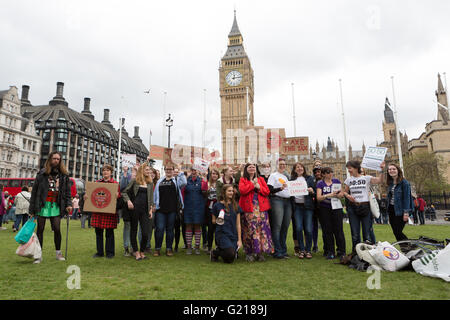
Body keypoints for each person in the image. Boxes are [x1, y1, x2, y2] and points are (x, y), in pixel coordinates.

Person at [28, 151, 72, 263]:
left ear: (60, 161)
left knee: (57, 229)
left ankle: (58, 253)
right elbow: (34, 192)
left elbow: (67, 192)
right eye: (54, 158)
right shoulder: (42, 174)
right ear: (50, 159)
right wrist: (32, 210)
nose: (56, 161)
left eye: (58, 159)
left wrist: (69, 204)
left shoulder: (64, 175)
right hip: (43, 205)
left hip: (56, 205)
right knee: (40, 229)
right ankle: (38, 255)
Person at [343, 160, 384, 254]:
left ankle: (368, 254)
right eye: (348, 168)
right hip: (353, 207)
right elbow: (344, 192)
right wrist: (348, 196)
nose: (348, 170)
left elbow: (380, 180)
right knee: (355, 234)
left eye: (350, 168)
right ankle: (356, 253)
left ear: (356, 168)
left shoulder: (366, 178)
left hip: (365, 206)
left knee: (367, 233)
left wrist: (382, 170)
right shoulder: (349, 180)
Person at [239, 163, 274, 262]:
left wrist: (259, 187)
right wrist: (252, 184)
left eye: (253, 167)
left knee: (262, 230)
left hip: (261, 209)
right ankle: (249, 253)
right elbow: (242, 190)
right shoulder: (243, 179)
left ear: (256, 169)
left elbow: (267, 192)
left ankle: (260, 253)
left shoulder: (261, 180)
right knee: (249, 230)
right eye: (249, 167)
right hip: (249, 209)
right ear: (246, 169)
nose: (252, 168)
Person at [122, 163, 155, 261]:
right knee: (134, 230)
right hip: (134, 209)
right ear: (141, 170)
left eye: (149, 170)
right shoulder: (134, 181)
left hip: (145, 210)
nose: (148, 171)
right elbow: (124, 192)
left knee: (145, 233)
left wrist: (150, 210)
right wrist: (128, 201)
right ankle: (136, 252)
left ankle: (142, 252)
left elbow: (151, 198)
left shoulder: (150, 183)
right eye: (146, 169)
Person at [153, 163, 187, 257]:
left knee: (170, 230)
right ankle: (157, 248)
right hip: (160, 210)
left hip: (172, 210)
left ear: (173, 170)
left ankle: (169, 249)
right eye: (167, 169)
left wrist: (180, 171)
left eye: (170, 169)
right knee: (159, 229)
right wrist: (154, 205)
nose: (168, 171)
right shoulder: (160, 181)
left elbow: (184, 182)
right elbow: (155, 194)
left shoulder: (176, 180)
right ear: (164, 170)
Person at [89, 164, 120, 259]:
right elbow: (92, 196)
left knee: (109, 233)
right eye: (104, 170)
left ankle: (110, 253)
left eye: (107, 170)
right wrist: (87, 196)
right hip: (98, 211)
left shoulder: (115, 184)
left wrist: (117, 196)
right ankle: (99, 252)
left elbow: (119, 198)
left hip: (109, 212)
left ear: (111, 172)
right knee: (98, 233)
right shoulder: (97, 183)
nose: (105, 172)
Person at [316, 167, 346, 260]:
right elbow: (318, 198)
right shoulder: (320, 183)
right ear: (323, 174)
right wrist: (328, 195)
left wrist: (338, 194)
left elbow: (341, 195)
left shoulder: (336, 181)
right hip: (325, 209)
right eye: (328, 172)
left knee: (339, 230)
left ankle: (341, 251)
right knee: (327, 231)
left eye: (331, 172)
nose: (330, 174)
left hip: (336, 208)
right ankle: (330, 252)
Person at [210, 184, 243, 263]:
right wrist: (219, 219)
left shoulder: (236, 206)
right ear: (224, 192)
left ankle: (217, 252)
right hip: (222, 234)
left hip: (233, 234)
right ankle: (215, 253)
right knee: (230, 254)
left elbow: (238, 224)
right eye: (229, 191)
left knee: (230, 258)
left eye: (232, 191)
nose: (231, 193)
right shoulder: (217, 205)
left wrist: (239, 239)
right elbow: (213, 221)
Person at [290, 163, 316, 259]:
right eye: (297, 167)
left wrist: (312, 191)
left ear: (304, 169)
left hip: (307, 207)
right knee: (298, 228)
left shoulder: (309, 178)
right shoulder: (291, 180)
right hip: (297, 207)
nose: (299, 168)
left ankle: (308, 250)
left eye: (301, 167)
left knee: (308, 230)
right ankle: (302, 250)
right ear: (295, 169)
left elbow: (315, 194)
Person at [267, 158, 292, 259]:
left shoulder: (286, 177)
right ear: (277, 165)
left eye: (284, 164)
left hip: (287, 202)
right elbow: (269, 189)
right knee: (277, 226)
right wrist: (280, 188)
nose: (282, 166)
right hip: (277, 200)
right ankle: (277, 251)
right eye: (280, 164)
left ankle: (283, 250)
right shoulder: (273, 175)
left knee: (285, 226)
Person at [385, 163, 413, 244]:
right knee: (395, 232)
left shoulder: (404, 183)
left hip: (401, 210)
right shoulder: (390, 182)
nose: (391, 170)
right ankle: (406, 250)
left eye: (394, 169)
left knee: (398, 231)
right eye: (390, 169)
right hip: (391, 209)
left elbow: (407, 198)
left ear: (398, 170)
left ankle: (410, 247)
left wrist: (406, 212)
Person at [183, 168, 208, 255]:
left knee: (198, 226)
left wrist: (205, 180)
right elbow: (182, 192)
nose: (194, 172)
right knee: (188, 226)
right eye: (192, 170)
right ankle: (189, 247)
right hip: (188, 207)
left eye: (195, 170)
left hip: (199, 207)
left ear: (198, 171)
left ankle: (197, 247)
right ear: (190, 171)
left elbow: (205, 192)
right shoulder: (186, 181)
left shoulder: (201, 180)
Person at [205, 168, 220, 253]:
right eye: (212, 174)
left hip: (218, 208)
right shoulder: (208, 183)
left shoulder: (220, 184)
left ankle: (218, 246)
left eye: (215, 174)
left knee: (218, 228)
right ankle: (209, 247)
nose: (214, 175)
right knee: (210, 228)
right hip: (210, 207)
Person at [119, 166, 133, 256]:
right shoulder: (125, 175)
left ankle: (133, 247)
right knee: (127, 225)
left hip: (137, 204)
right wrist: (125, 173)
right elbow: (123, 187)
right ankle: (126, 247)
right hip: (126, 204)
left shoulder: (140, 176)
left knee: (134, 226)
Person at [173, 166, 186, 252]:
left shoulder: (178, 182)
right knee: (170, 228)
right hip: (169, 207)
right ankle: (169, 246)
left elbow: (184, 182)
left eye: (177, 172)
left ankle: (176, 246)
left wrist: (181, 172)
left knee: (178, 228)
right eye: (175, 172)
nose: (176, 173)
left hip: (177, 207)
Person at [311, 167, 322, 253]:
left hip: (323, 207)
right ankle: (315, 245)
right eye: (316, 172)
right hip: (314, 208)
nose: (317, 173)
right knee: (314, 227)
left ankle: (327, 246)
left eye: (319, 172)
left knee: (326, 228)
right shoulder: (312, 182)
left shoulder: (325, 182)